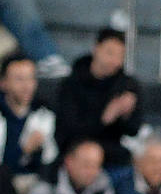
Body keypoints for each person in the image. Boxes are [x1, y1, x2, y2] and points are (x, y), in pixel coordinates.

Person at [54, 29, 143, 172]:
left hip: (112, 156)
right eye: (110, 53)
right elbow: (68, 130)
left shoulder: (127, 86)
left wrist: (127, 115)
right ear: (96, 48)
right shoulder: (71, 84)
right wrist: (105, 118)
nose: (114, 61)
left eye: (120, 55)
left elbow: (133, 130)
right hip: (76, 152)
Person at [0, 54, 57, 194]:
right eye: (19, 79)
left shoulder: (45, 113)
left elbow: (49, 160)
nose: (27, 86)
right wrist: (24, 150)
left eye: (30, 78)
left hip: (36, 182)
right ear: (3, 83)